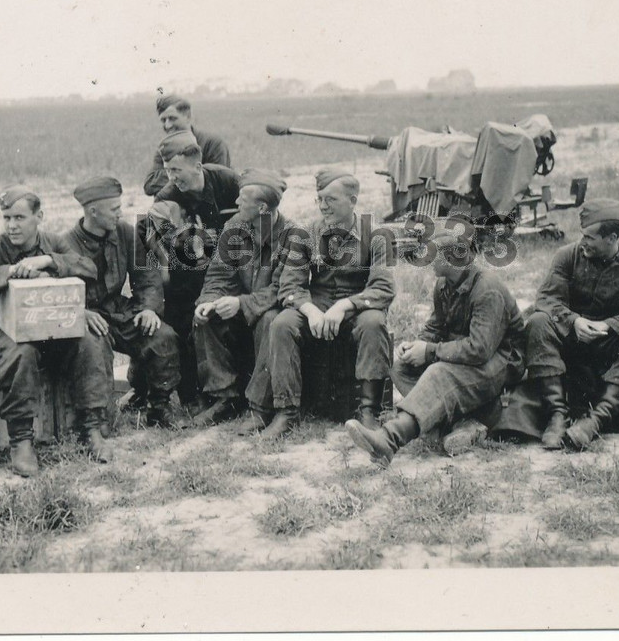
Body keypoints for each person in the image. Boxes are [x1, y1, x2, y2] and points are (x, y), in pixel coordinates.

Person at [0, 185, 113, 477]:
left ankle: (91, 429)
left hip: (47, 325)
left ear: (38, 216)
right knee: (21, 352)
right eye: (7, 218)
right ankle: (21, 441)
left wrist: (49, 262)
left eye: (19, 218)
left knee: (89, 342)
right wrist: (7, 273)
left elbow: (89, 268)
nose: (12, 225)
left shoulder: (53, 243)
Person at [344, 228, 526, 467]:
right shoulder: (444, 284)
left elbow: (480, 349)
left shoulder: (487, 289)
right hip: (467, 354)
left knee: (438, 372)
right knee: (402, 369)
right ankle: (462, 424)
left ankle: (389, 439)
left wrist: (430, 351)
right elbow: (435, 327)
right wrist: (417, 345)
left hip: (501, 362)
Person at [260, 166, 395, 438]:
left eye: (331, 200)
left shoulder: (377, 235)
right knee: (282, 323)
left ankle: (368, 410)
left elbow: (383, 286)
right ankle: (286, 411)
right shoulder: (305, 234)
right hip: (317, 308)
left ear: (353, 200)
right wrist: (310, 312)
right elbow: (290, 285)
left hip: (356, 309)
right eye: (319, 199)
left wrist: (344, 306)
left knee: (373, 322)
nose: (323, 206)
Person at [525, 198, 619, 450]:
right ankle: (557, 415)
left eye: (590, 237)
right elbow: (546, 298)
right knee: (538, 321)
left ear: (611, 238)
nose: (583, 241)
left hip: (607, 347)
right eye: (582, 235)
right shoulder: (567, 256)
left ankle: (594, 421)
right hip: (570, 339)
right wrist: (573, 321)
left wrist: (609, 326)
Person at [60, 176, 184, 430]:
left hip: (118, 310)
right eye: (114, 209)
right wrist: (79, 312)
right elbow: (57, 294)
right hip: (87, 316)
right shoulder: (65, 244)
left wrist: (149, 308)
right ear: (93, 211)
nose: (120, 213)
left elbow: (147, 277)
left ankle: (159, 407)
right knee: (95, 350)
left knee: (163, 336)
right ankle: (99, 417)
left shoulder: (126, 233)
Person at [191, 169, 300, 428]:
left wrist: (241, 303)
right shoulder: (234, 228)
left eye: (242, 198)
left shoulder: (293, 236)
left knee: (271, 320)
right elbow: (219, 274)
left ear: (262, 207)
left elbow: (282, 289)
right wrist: (209, 299)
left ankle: (259, 407)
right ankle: (224, 398)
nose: (236, 203)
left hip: (270, 310)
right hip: (242, 308)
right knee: (206, 315)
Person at [150, 129, 241, 409]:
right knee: (182, 313)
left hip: (233, 260)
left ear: (198, 166)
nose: (172, 178)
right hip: (189, 268)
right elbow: (174, 250)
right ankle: (193, 392)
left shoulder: (227, 181)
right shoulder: (167, 196)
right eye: (167, 171)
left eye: (177, 170)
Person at [142, 94, 231, 196]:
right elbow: (149, 185)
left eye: (172, 118)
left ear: (188, 117)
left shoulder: (212, 143)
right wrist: (187, 174)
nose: (167, 125)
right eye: (163, 120)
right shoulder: (165, 148)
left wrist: (173, 175)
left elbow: (218, 182)